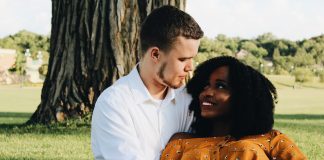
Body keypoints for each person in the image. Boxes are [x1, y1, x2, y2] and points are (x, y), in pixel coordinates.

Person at [91, 5, 204, 160]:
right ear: (155, 54)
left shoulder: (188, 99)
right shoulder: (114, 104)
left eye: (193, 58)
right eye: (183, 59)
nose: (190, 67)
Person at [161, 56, 307, 160]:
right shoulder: (180, 143)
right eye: (205, 85)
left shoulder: (271, 141)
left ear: (243, 96)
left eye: (220, 86)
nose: (207, 93)